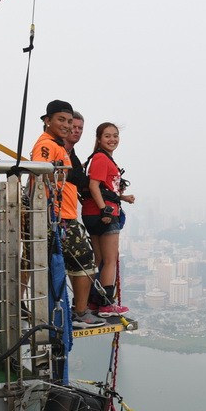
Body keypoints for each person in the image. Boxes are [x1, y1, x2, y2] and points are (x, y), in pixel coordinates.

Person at [29, 100, 103, 329]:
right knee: (84, 263)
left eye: (69, 121)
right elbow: (40, 170)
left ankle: (64, 310)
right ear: (47, 120)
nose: (67, 125)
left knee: (49, 263)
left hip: (62, 214)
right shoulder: (47, 145)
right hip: (58, 216)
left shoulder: (59, 147)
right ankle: (80, 313)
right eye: (61, 119)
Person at [82, 122, 134, 317]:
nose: (112, 139)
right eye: (107, 136)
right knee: (110, 260)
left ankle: (94, 302)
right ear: (99, 139)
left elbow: (105, 188)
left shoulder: (99, 159)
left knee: (100, 260)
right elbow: (95, 186)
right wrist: (105, 210)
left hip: (92, 213)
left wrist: (123, 197)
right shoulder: (101, 159)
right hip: (103, 214)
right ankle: (106, 304)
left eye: (115, 136)